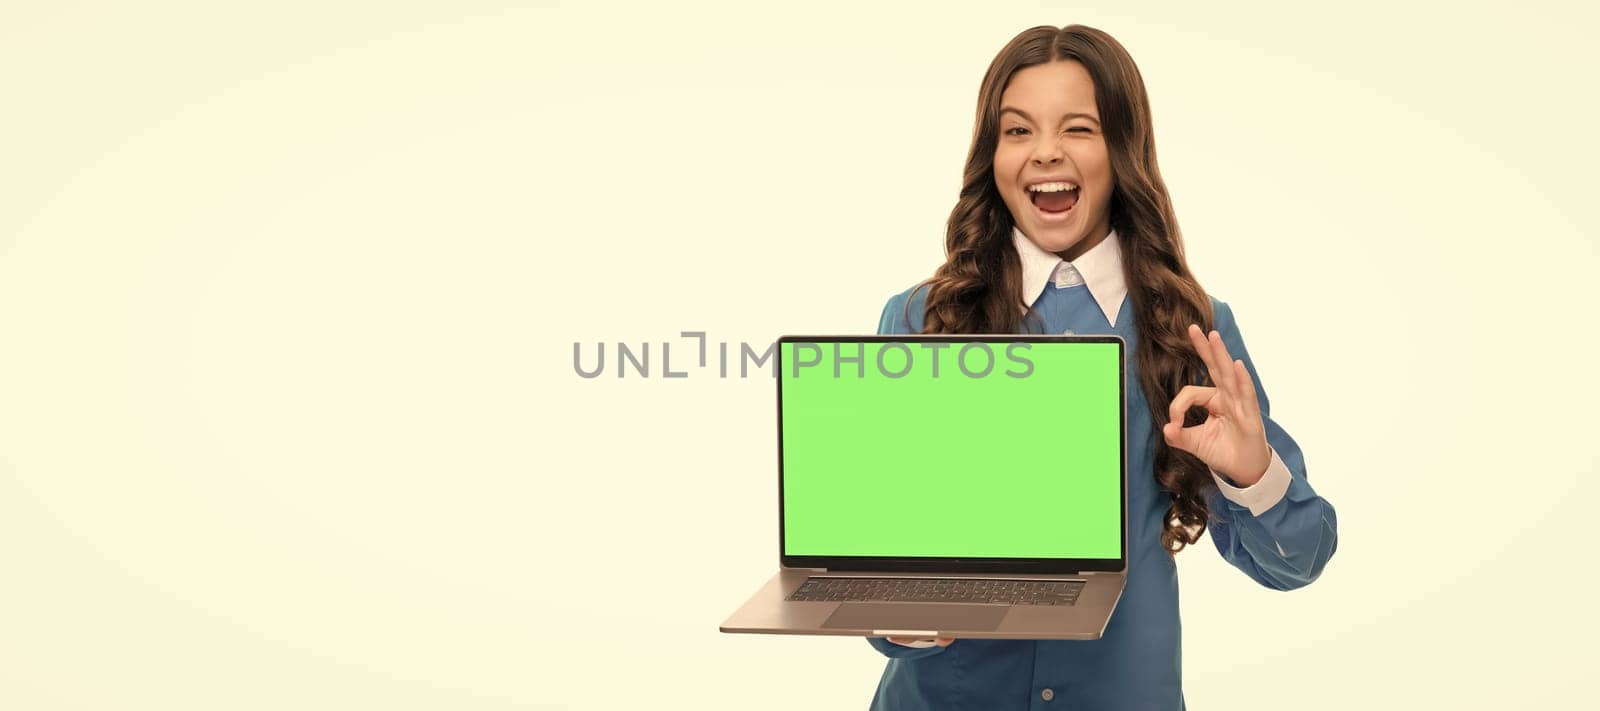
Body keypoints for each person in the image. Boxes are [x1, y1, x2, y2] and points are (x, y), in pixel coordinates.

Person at [867, 24, 1338, 710]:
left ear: (1122, 149)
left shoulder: (1193, 327)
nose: (1046, 152)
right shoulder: (917, 320)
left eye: (1078, 128)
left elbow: (1301, 559)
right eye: (1018, 131)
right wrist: (905, 616)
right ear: (991, 154)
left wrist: (1251, 472)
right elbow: (878, 581)